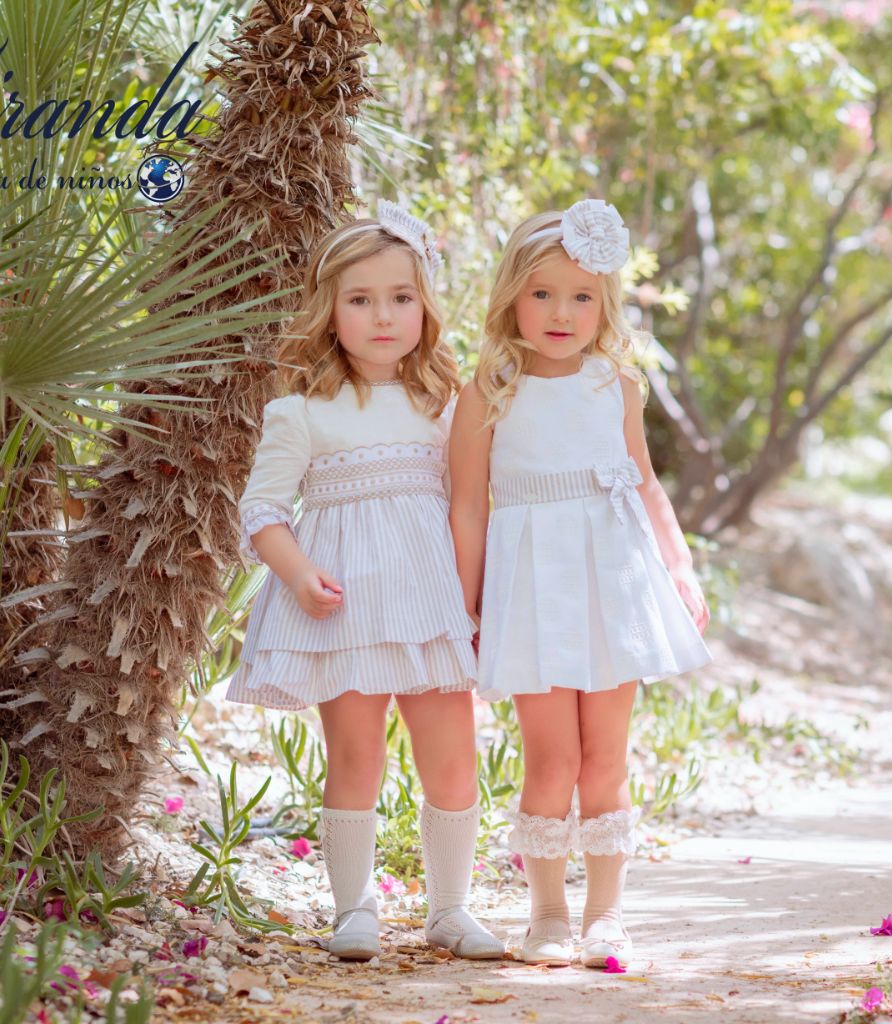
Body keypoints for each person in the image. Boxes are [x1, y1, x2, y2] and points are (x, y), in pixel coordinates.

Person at [227, 202, 503, 962]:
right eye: (360, 299)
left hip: (429, 604)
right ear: (329, 311)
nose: (383, 316)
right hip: (342, 607)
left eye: (400, 298)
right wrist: (298, 572)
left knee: (451, 757)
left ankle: (450, 907)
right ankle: (354, 908)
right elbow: (263, 508)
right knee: (355, 757)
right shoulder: (302, 411)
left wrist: (472, 598)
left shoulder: (448, 404)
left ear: (425, 308)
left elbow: (470, 504)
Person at [448, 199, 712, 968]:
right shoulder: (489, 389)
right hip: (533, 589)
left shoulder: (614, 385)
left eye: (582, 297)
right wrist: (468, 597)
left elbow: (647, 486)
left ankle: (605, 916)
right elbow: (467, 505)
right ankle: (548, 914)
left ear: (606, 305)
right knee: (551, 759)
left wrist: (679, 563)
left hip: (615, 584)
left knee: (607, 756)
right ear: (512, 299)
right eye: (542, 294)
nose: (562, 312)